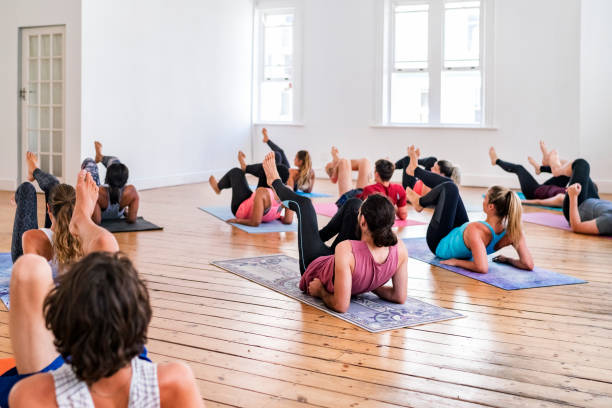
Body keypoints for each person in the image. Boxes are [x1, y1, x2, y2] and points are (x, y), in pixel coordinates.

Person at [6, 170, 204, 407]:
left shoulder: (33, 395)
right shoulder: (174, 383)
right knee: (103, 251)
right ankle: (81, 218)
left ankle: (78, 217)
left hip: (64, 369)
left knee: (30, 265)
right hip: (121, 358)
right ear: (140, 323)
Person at [262, 152, 408, 313]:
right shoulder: (399, 248)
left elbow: (341, 305)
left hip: (315, 265)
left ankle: (275, 183)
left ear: (364, 223)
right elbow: (399, 297)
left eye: (361, 213)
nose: (358, 214)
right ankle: (316, 236)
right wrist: (371, 284)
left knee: (304, 205)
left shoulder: (346, 249)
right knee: (354, 203)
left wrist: (320, 291)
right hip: (346, 263)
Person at [404, 147, 534, 274]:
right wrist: (508, 260)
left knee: (450, 188)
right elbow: (528, 264)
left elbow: (482, 267)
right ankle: (415, 173)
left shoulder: (476, 231)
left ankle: (419, 201)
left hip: (438, 242)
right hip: (458, 235)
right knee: (451, 188)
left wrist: (456, 262)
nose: (483, 200)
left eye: (486, 198)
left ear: (491, 207)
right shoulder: (514, 231)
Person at [11, 152, 82, 271]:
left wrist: (22, 205)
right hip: (54, 244)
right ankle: (34, 170)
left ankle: (33, 173)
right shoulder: (85, 235)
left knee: (26, 188)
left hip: (29, 261)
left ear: (48, 208)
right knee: (55, 188)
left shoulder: (30, 237)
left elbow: (30, 277)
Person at [209, 153, 294, 227]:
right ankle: (245, 167)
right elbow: (288, 220)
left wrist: (237, 221)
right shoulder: (289, 191)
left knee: (236, 172)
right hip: (262, 206)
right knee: (275, 158)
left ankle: (219, 187)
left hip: (240, 209)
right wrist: (275, 215)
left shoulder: (262, 192)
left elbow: (255, 222)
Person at [548, 153, 612, 236]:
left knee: (581, 164)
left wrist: (573, 196)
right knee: (579, 171)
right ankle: (555, 169)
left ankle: (557, 171)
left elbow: (576, 227)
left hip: (578, 207)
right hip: (593, 201)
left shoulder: (609, 221)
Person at [81, 141, 140, 224]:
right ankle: (100, 157)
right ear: (125, 180)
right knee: (117, 165)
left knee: (90, 161)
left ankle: (99, 157)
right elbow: (132, 219)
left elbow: (96, 221)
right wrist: (124, 209)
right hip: (113, 193)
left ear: (107, 178)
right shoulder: (131, 191)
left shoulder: (97, 191)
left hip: (101, 195)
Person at [488, 147, 568, 208]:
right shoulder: (576, 189)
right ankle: (540, 168)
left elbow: (539, 202)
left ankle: (496, 161)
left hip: (533, 192)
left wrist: (521, 201)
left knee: (519, 168)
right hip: (547, 188)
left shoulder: (563, 199)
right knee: (567, 171)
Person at [261, 128, 316, 193]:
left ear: (300, 162)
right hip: (290, 181)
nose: (294, 159)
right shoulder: (311, 172)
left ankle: (267, 140)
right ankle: (267, 140)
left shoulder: (293, 172)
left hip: (284, 182)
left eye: (295, 158)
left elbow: (290, 193)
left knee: (278, 155)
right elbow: (309, 191)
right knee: (280, 152)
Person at [395, 147, 461, 196]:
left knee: (407, 159)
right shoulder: (439, 178)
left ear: (442, 175)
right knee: (432, 160)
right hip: (417, 181)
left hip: (411, 187)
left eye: (435, 168)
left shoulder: (437, 186)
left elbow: (422, 196)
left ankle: (391, 167)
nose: (431, 168)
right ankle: (415, 161)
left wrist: (413, 161)